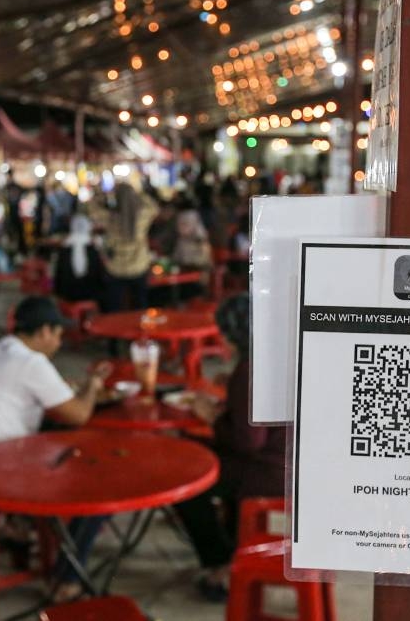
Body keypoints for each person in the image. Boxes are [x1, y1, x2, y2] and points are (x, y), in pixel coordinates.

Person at [0, 296, 111, 601]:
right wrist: (91, 386)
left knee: (59, 439)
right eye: (57, 334)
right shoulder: (31, 363)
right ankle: (66, 581)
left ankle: (19, 528)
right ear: (42, 332)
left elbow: (45, 393)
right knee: (97, 488)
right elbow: (79, 414)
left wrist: (74, 389)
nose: (59, 341)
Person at [174, 294, 285, 601]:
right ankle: (232, 547)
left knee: (186, 480)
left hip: (269, 470)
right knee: (195, 452)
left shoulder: (249, 370)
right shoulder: (277, 356)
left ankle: (220, 563)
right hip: (292, 463)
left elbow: (248, 442)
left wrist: (211, 416)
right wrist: (228, 406)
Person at [88, 182, 158, 312]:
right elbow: (153, 207)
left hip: (116, 268)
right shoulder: (141, 217)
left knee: (115, 307)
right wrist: (138, 192)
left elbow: (92, 208)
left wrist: (103, 195)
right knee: (140, 305)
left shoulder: (110, 218)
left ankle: (116, 331)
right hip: (139, 266)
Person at [53, 214, 105, 303]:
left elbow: (58, 277)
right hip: (91, 294)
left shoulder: (64, 248)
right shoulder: (93, 247)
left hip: (67, 294)